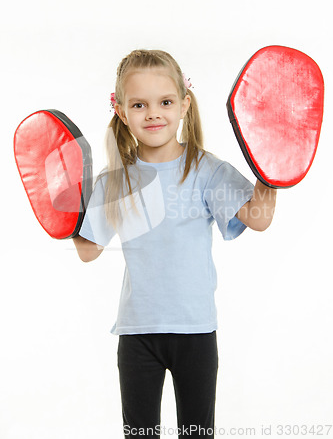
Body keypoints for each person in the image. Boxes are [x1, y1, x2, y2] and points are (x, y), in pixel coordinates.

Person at [73, 49, 277, 438]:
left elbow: (259, 218)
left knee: (198, 434)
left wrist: (271, 169)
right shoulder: (114, 180)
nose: (153, 113)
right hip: (137, 335)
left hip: (196, 333)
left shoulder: (205, 169)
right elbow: (87, 250)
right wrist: (64, 208)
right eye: (139, 104)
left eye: (165, 102)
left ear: (184, 104)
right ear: (120, 110)